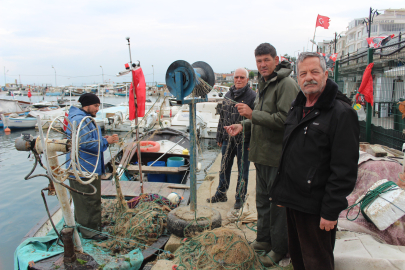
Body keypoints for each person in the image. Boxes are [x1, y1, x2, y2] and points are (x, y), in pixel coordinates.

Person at [270, 52, 359, 270]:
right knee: (299, 260)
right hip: (294, 202)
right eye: (303, 73)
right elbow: (289, 153)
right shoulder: (296, 106)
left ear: (326, 74)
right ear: (298, 78)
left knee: (317, 263)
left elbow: (344, 170)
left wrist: (330, 211)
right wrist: (283, 192)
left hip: (317, 208)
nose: (309, 77)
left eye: (314, 72)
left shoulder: (341, 113)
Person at [225, 43, 299, 266]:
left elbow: (286, 120)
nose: (262, 64)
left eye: (266, 60)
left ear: (276, 60)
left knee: (277, 206)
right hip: (262, 155)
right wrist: (244, 125)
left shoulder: (286, 84)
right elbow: (261, 118)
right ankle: (264, 240)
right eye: (259, 61)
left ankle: (279, 248)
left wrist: (252, 114)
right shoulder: (265, 83)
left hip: (277, 157)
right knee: (263, 203)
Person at [66, 93, 119, 240]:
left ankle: (87, 227)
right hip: (83, 168)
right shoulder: (80, 120)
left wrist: (104, 139)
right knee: (88, 200)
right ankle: (91, 233)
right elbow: (85, 144)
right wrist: (106, 142)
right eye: (95, 105)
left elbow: (87, 139)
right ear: (87, 105)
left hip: (83, 166)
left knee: (84, 201)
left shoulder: (81, 118)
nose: (97, 109)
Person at [207, 68, 256, 209]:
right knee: (224, 168)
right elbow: (222, 117)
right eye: (236, 77)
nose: (238, 80)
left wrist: (252, 142)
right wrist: (219, 136)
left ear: (247, 80)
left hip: (244, 140)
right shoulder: (228, 94)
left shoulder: (252, 97)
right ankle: (221, 193)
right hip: (228, 140)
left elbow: (255, 120)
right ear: (233, 79)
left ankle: (239, 197)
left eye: (242, 77)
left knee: (243, 171)